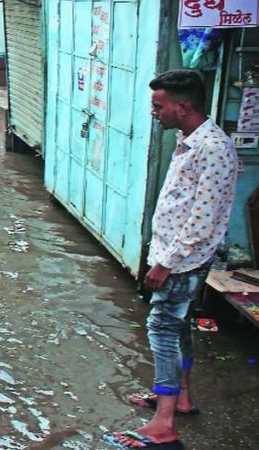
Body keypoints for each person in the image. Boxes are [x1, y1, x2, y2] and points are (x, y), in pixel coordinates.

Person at [108, 70, 238, 450]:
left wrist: (165, 263)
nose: (154, 112)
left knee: (162, 329)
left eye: (158, 105)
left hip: (181, 261)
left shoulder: (213, 149)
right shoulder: (189, 140)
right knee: (177, 327)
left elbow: (202, 220)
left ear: (182, 106)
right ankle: (179, 397)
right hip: (174, 255)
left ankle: (163, 423)